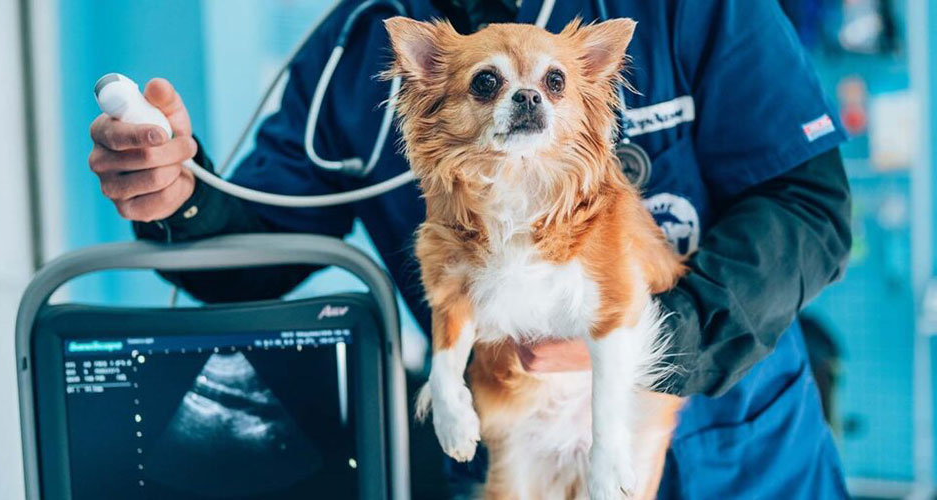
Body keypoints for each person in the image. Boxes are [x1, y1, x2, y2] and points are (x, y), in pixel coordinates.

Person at [87, 0, 852, 497]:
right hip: (513, 446)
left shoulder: (693, 9)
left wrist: (659, 332)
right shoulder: (360, 48)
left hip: (738, 454)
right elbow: (258, 249)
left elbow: (807, 206)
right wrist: (179, 197)